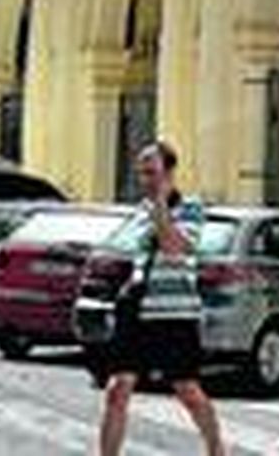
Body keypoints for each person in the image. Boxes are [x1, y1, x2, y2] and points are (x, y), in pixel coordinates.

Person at [97, 141, 225, 456]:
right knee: (117, 390)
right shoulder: (140, 211)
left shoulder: (191, 208)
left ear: (169, 173)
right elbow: (129, 252)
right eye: (142, 174)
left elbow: (174, 247)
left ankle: (216, 448)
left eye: (152, 172)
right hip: (137, 308)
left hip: (174, 311)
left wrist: (161, 208)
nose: (146, 180)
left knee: (188, 391)